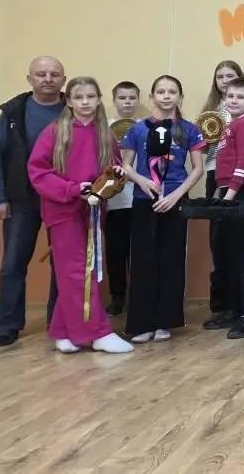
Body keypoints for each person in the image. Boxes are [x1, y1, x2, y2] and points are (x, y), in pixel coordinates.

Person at [27, 76, 134, 354]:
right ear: (69, 101)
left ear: (98, 100)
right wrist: (74, 189)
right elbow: (38, 172)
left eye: (90, 97)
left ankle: (63, 331)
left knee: (84, 271)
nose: (85, 102)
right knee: (76, 271)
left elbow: (113, 169)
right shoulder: (55, 132)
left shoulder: (105, 134)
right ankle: (98, 333)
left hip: (93, 212)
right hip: (63, 211)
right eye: (79, 97)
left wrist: (114, 176)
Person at [0, 55, 65, 347]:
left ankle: (58, 321)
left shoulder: (74, 110)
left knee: (63, 263)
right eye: (41, 74)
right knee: (13, 264)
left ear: (63, 80)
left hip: (62, 199)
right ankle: (7, 325)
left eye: (54, 74)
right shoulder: (13, 113)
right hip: (21, 199)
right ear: (29, 79)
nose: (48, 79)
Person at [121, 76, 205, 344]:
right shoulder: (137, 130)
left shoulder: (189, 130)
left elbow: (198, 169)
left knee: (172, 259)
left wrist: (176, 195)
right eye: (161, 91)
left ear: (180, 97)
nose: (166, 96)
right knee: (143, 261)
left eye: (172, 92)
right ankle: (142, 323)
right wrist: (142, 181)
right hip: (144, 199)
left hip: (175, 200)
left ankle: (165, 321)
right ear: (152, 96)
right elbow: (125, 166)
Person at [200, 60, 244, 326]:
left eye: (240, 97)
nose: (234, 100)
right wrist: (220, 189)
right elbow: (223, 164)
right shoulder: (230, 125)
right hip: (228, 191)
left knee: (242, 253)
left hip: (243, 194)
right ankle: (233, 309)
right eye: (230, 96)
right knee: (227, 251)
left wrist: (229, 196)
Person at [105, 80, 139, 316]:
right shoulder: (103, 128)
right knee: (115, 253)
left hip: (139, 199)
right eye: (122, 98)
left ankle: (138, 297)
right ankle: (117, 297)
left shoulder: (145, 127)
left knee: (139, 253)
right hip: (113, 201)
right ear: (114, 100)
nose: (127, 102)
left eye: (132, 98)